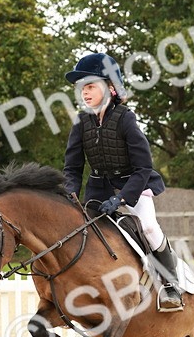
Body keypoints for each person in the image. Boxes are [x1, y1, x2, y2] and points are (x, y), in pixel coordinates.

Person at [62, 52, 182, 311]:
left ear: (111, 87)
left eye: (91, 86)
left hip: (135, 184)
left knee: (149, 227)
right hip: (98, 188)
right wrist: (69, 193)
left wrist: (121, 198)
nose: (84, 92)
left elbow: (143, 167)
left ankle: (172, 286)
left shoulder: (126, 118)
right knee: (81, 232)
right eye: (81, 88)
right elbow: (72, 167)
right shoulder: (81, 123)